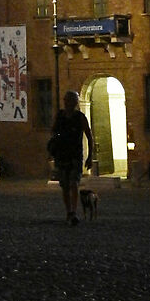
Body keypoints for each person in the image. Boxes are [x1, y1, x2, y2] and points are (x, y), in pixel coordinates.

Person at [47, 89, 94, 225]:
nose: (69, 103)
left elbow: (89, 136)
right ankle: (69, 211)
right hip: (62, 155)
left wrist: (90, 156)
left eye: (72, 101)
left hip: (75, 155)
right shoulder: (60, 116)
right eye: (68, 100)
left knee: (74, 183)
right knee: (65, 186)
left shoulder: (80, 117)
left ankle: (73, 212)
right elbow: (53, 132)